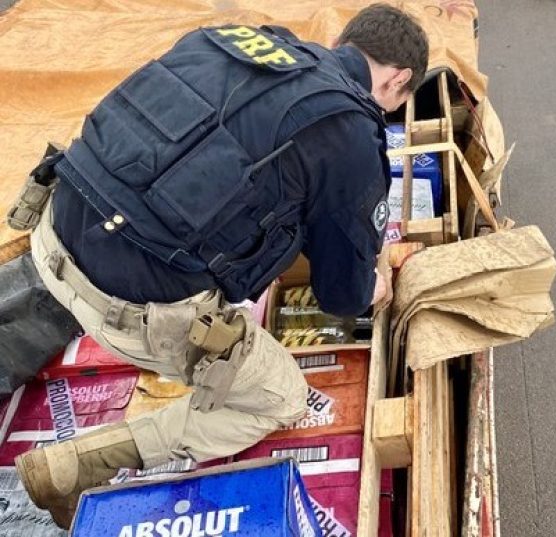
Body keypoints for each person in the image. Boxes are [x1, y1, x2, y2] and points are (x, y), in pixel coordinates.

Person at [12, 3, 428, 528]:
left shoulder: (233, 41)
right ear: (399, 80)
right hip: (119, 304)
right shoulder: (348, 130)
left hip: (49, 236)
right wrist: (376, 282)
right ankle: (79, 463)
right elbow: (343, 296)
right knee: (280, 397)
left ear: (344, 41)